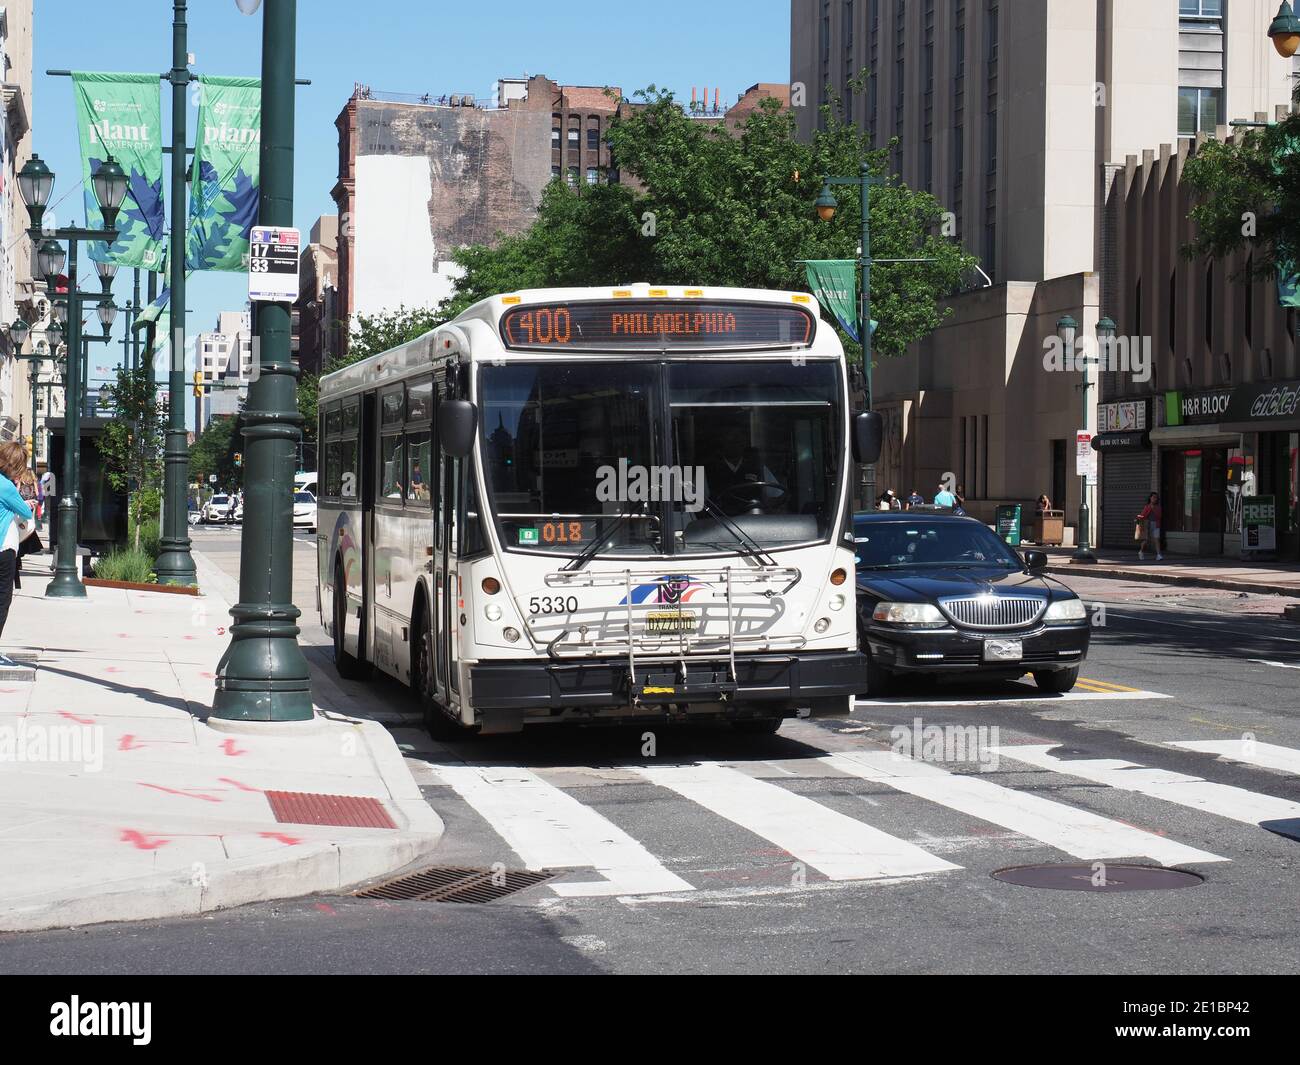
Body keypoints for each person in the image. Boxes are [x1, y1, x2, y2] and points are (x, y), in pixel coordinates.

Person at [0, 442, 34, 665]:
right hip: (4, 549)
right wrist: (26, 502)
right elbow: (24, 511)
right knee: (3, 599)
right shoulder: (6, 487)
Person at [703, 421, 782, 515]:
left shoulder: (757, 466)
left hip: (753, 523)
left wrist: (766, 507)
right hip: (721, 525)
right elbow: (698, 505)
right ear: (722, 442)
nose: (735, 443)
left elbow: (777, 495)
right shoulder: (708, 470)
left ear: (744, 442)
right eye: (730, 438)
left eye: (738, 438)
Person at [1137, 492, 1163, 561]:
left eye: (1156, 497)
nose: (1155, 499)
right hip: (1147, 524)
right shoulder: (1147, 506)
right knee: (1146, 540)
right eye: (1153, 497)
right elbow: (1142, 515)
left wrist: (1154, 508)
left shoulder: (1158, 507)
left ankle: (1158, 555)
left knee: (1157, 539)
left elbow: (1159, 516)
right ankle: (1141, 551)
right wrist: (1139, 519)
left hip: (1156, 524)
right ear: (1150, 498)